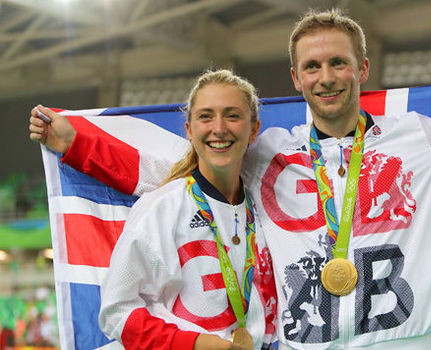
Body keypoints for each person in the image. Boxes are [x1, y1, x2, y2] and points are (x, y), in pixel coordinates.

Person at [29, 8, 431, 350]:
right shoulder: (268, 151)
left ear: (362, 70)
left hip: (400, 342)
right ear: (295, 77)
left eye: (339, 63)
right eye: (314, 67)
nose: (328, 77)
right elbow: (176, 170)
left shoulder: (417, 140)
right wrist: (76, 144)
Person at [61, 69, 276, 350]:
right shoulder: (161, 207)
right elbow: (117, 313)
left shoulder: (268, 206)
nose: (219, 127)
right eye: (205, 116)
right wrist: (197, 344)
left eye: (233, 115)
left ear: (254, 130)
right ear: (189, 130)